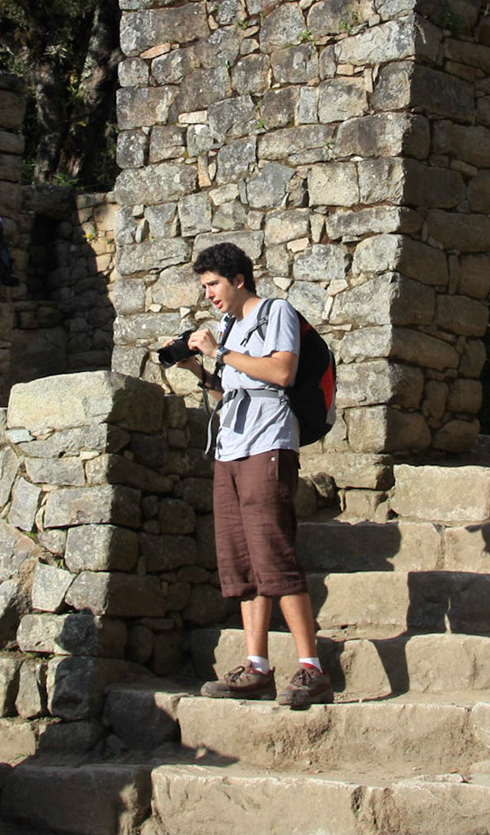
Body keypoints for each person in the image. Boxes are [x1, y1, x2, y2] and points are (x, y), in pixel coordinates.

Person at [178, 242, 331, 708]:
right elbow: (232, 390)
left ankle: (311, 669)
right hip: (231, 448)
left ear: (238, 279)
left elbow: (282, 372)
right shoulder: (230, 325)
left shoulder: (276, 312)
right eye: (204, 286)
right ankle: (257, 667)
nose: (208, 295)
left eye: (213, 284)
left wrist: (220, 351)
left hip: (269, 445)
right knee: (240, 560)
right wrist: (199, 371)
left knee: (273, 551)